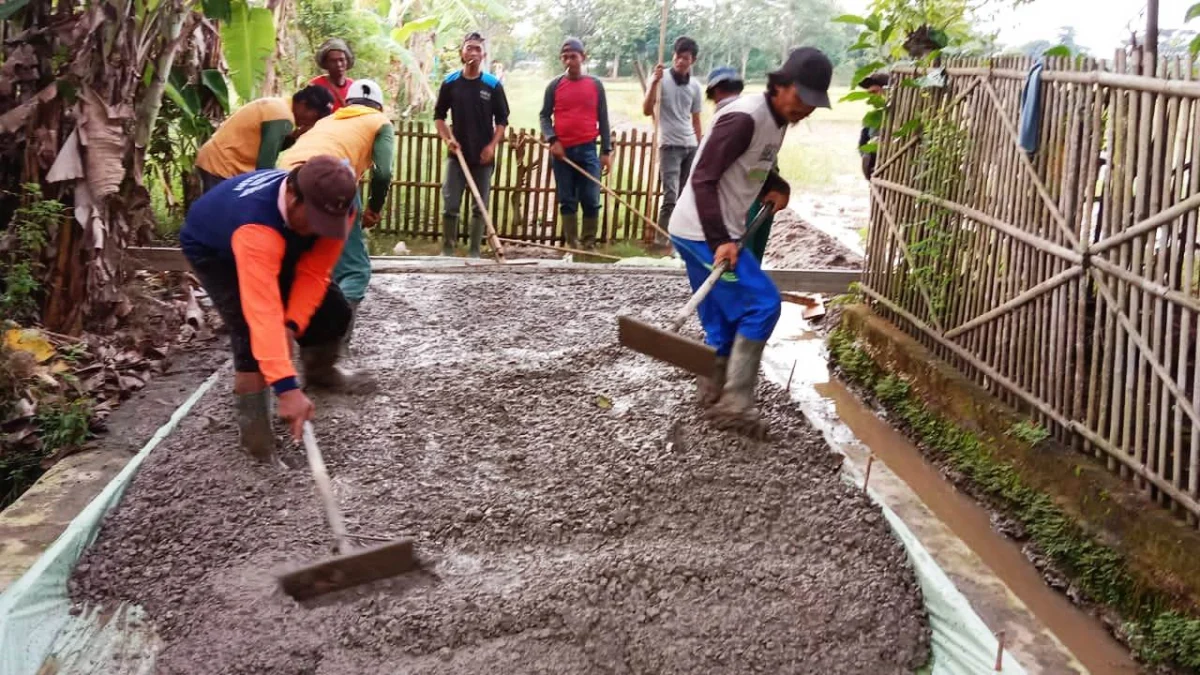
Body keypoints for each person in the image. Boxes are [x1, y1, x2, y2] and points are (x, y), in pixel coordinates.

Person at [669, 47, 832, 435]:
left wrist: (776, 184)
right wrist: (720, 239)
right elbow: (703, 177)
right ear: (780, 85)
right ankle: (737, 403)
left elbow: (753, 165)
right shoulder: (745, 117)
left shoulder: (776, 120)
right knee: (762, 304)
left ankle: (712, 389)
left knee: (724, 315)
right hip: (701, 230)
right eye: (801, 98)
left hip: (701, 227)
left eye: (814, 103)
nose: (806, 109)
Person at [180, 156, 371, 465]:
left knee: (333, 310)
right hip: (216, 249)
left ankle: (320, 373)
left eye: (326, 225)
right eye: (313, 221)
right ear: (293, 196)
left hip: (278, 237)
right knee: (250, 338)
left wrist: (291, 324)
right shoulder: (257, 230)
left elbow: (314, 273)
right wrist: (286, 389)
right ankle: (257, 443)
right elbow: (263, 313)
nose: (317, 231)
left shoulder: (340, 207)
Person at [279, 79, 395, 355]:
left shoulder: (329, 120)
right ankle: (332, 350)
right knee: (354, 269)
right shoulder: (380, 122)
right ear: (379, 105)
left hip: (284, 180)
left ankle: (290, 340)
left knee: (303, 260)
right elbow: (383, 172)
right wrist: (374, 208)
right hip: (329, 176)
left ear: (348, 104)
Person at [435, 32, 510, 258]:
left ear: (484, 55)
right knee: (450, 205)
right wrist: (448, 138)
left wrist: (492, 146)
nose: (474, 53)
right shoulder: (450, 83)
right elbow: (439, 116)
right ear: (462, 53)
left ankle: (475, 252)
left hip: (483, 156)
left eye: (478, 49)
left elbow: (502, 121)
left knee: (479, 207)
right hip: (457, 155)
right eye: (469, 48)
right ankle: (448, 251)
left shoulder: (492, 85)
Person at [539, 37, 612, 249]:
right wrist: (553, 139)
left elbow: (604, 118)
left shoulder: (595, 85)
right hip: (562, 152)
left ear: (583, 57)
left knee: (590, 198)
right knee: (567, 199)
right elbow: (544, 116)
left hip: (588, 149)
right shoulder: (554, 85)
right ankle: (572, 243)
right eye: (565, 57)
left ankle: (588, 243)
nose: (569, 61)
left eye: (574, 56)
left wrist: (606, 150)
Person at [194, 87, 335, 194]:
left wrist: (295, 135)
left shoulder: (281, 106)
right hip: (221, 165)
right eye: (315, 116)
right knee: (219, 219)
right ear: (303, 104)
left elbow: (270, 145)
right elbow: (265, 165)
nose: (312, 122)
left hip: (221, 162)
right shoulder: (282, 116)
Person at [705, 66, 775, 264]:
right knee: (751, 250)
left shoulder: (728, 117)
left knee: (739, 253)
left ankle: (739, 288)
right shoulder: (754, 112)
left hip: (742, 194)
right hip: (762, 187)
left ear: (714, 93)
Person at [644, 36, 703, 248]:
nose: (680, 61)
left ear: (692, 61)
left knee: (684, 197)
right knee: (670, 196)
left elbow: (696, 120)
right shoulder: (661, 78)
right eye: (678, 57)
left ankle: (678, 241)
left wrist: (700, 146)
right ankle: (661, 241)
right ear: (673, 56)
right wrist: (653, 83)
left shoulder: (695, 87)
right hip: (668, 145)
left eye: (685, 58)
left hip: (690, 145)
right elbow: (646, 110)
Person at [858, 73, 888, 180]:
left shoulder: (900, 114)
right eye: (870, 94)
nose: (872, 97)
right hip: (874, 173)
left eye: (875, 92)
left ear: (887, 91)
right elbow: (862, 144)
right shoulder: (870, 118)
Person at [310, 38, 355, 111]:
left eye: (341, 59)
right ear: (326, 63)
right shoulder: (315, 86)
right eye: (333, 61)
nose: (338, 64)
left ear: (347, 61)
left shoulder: (353, 86)